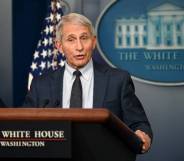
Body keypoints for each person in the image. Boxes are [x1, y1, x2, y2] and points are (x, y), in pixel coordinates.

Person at [23, 13, 153, 153]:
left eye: (84, 38)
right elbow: (23, 125)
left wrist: (142, 134)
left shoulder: (117, 80)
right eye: (71, 40)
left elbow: (139, 123)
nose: (79, 47)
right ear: (59, 46)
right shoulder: (41, 84)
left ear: (93, 42)